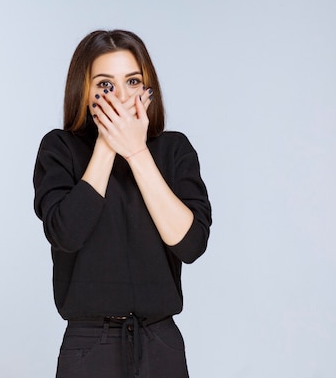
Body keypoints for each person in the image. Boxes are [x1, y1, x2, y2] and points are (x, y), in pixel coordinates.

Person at [33, 29, 212, 378]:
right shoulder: (59, 149)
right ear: (84, 92)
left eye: (132, 81)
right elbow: (66, 233)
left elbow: (191, 244)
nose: (121, 96)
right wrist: (107, 145)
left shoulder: (174, 150)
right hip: (88, 345)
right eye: (105, 85)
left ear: (148, 89)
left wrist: (136, 151)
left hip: (160, 342)